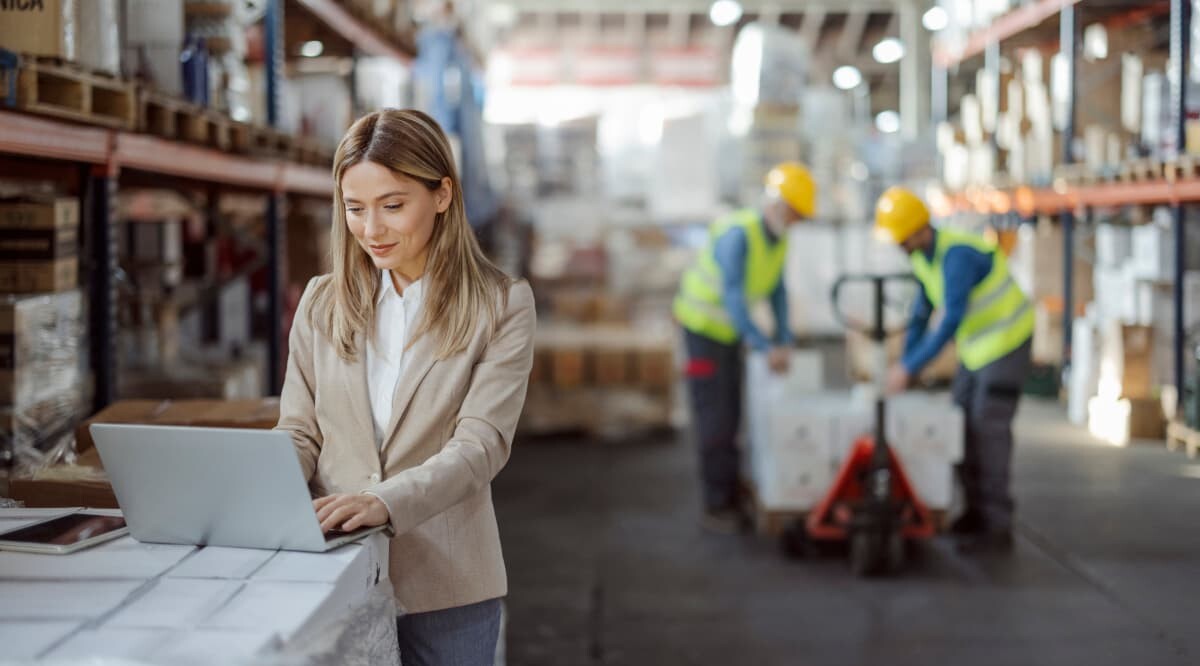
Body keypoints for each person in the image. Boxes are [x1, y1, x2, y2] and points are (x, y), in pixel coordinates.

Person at [276, 108, 536, 665]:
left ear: (442, 195)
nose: (372, 230)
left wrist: (382, 501)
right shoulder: (322, 302)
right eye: (355, 209)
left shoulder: (501, 304)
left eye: (393, 206)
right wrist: (260, 488)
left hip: (447, 584)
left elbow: (480, 445)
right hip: (334, 569)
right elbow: (299, 432)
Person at [873, 186, 1033, 554]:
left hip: (1007, 341)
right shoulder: (921, 257)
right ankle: (974, 512)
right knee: (959, 423)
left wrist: (909, 368)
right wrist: (906, 361)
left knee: (987, 430)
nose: (898, 246)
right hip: (979, 349)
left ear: (917, 230)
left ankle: (996, 526)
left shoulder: (956, 255)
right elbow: (921, 314)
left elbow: (948, 322)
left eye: (900, 239)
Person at [672, 162, 816, 534]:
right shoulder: (738, 235)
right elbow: (734, 298)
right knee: (715, 419)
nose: (797, 223)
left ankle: (734, 493)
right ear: (779, 205)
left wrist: (784, 336)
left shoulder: (778, 239)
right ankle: (717, 505)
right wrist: (763, 344)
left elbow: (777, 290)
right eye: (796, 214)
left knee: (734, 414)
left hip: (731, 335)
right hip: (703, 334)